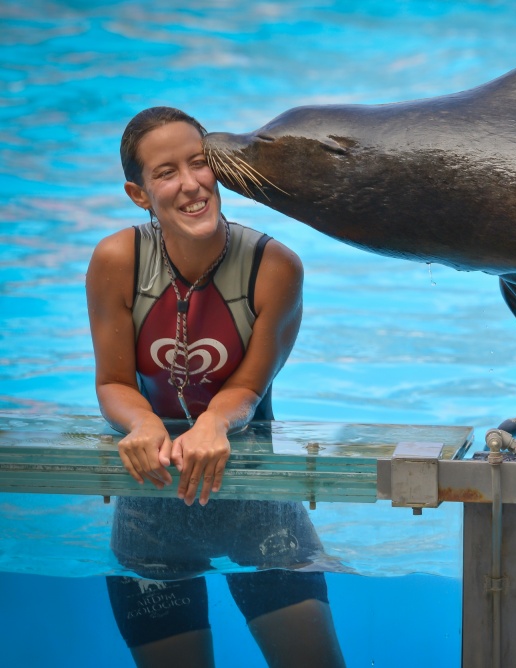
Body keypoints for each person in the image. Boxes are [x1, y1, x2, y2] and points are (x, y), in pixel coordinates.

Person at [87, 106, 345, 668]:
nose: (191, 184)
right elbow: (111, 381)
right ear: (139, 193)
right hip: (149, 510)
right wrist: (143, 423)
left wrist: (210, 423)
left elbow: (248, 387)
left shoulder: (275, 267)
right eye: (166, 172)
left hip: (258, 506)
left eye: (200, 163)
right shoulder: (116, 261)